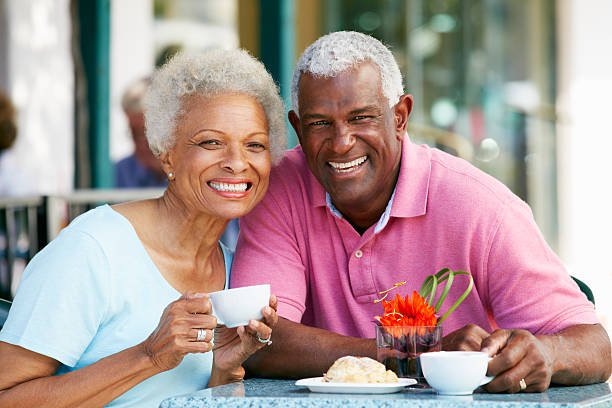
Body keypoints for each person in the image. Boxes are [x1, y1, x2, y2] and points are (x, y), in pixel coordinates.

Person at [230, 31, 611, 393]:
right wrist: (415, 353)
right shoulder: (278, 188)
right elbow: (257, 339)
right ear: (297, 126)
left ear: (400, 116)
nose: (341, 142)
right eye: (319, 124)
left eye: (362, 117)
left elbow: (595, 346)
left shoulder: (478, 205)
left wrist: (547, 353)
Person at [0, 48, 286, 407]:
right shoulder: (92, 249)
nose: (236, 162)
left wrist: (224, 370)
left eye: (254, 145)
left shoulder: (234, 270)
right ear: (166, 152)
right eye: (211, 142)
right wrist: (148, 357)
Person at [114, 77, 167, 188]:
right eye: (134, 134)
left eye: (149, 132)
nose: (143, 145)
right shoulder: (117, 174)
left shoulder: (194, 173)